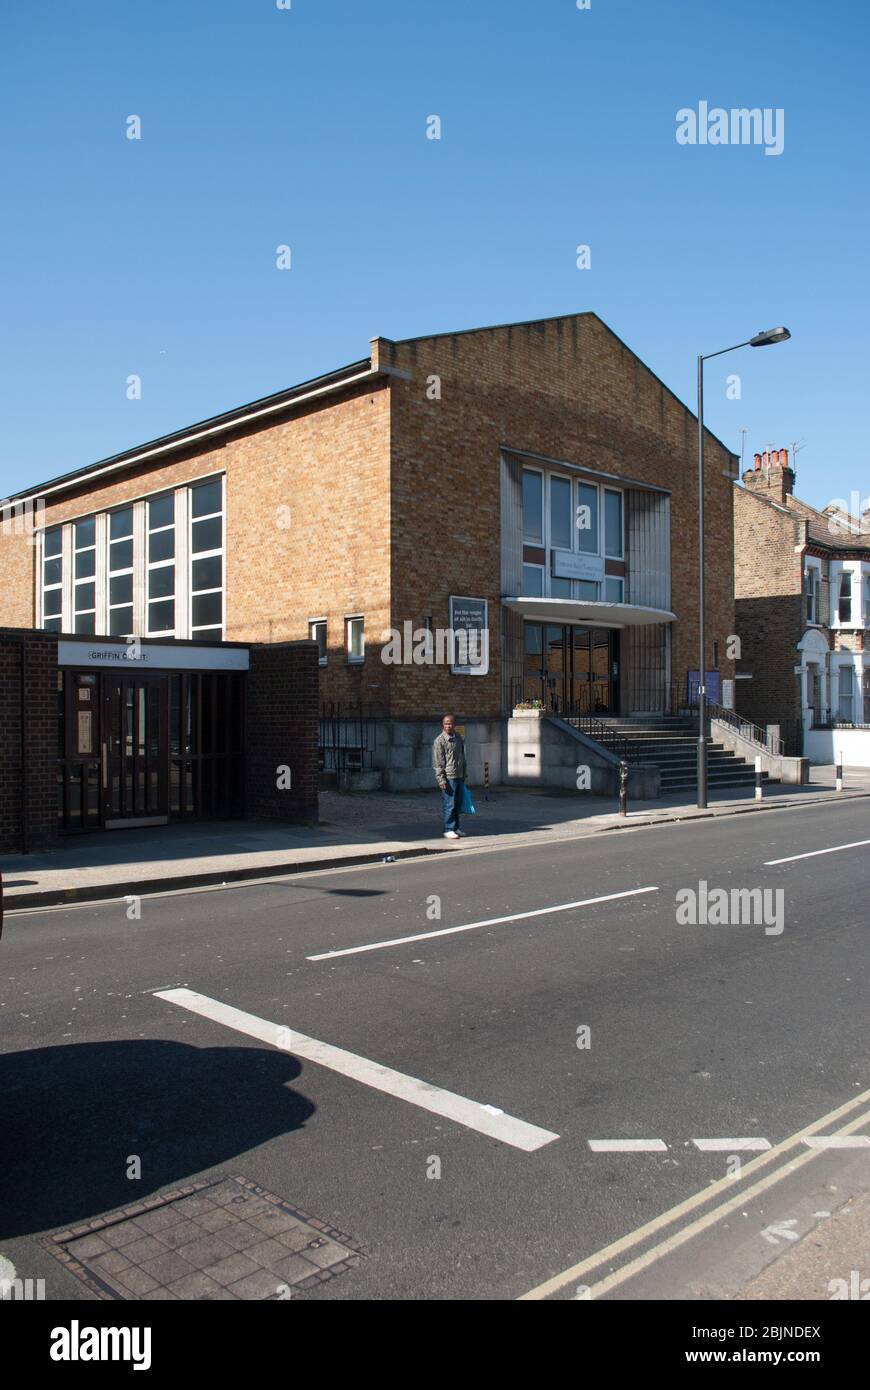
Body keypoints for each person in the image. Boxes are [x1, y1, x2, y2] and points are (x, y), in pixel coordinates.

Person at [432, 713, 468, 840]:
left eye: (450, 723)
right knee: (449, 804)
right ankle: (448, 829)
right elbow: (438, 762)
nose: (448, 726)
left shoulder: (458, 737)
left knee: (458, 804)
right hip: (449, 776)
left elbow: (463, 757)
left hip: (459, 775)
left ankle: (456, 827)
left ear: (454, 725)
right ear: (443, 725)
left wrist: (464, 773)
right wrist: (441, 779)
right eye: (446, 724)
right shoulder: (440, 741)